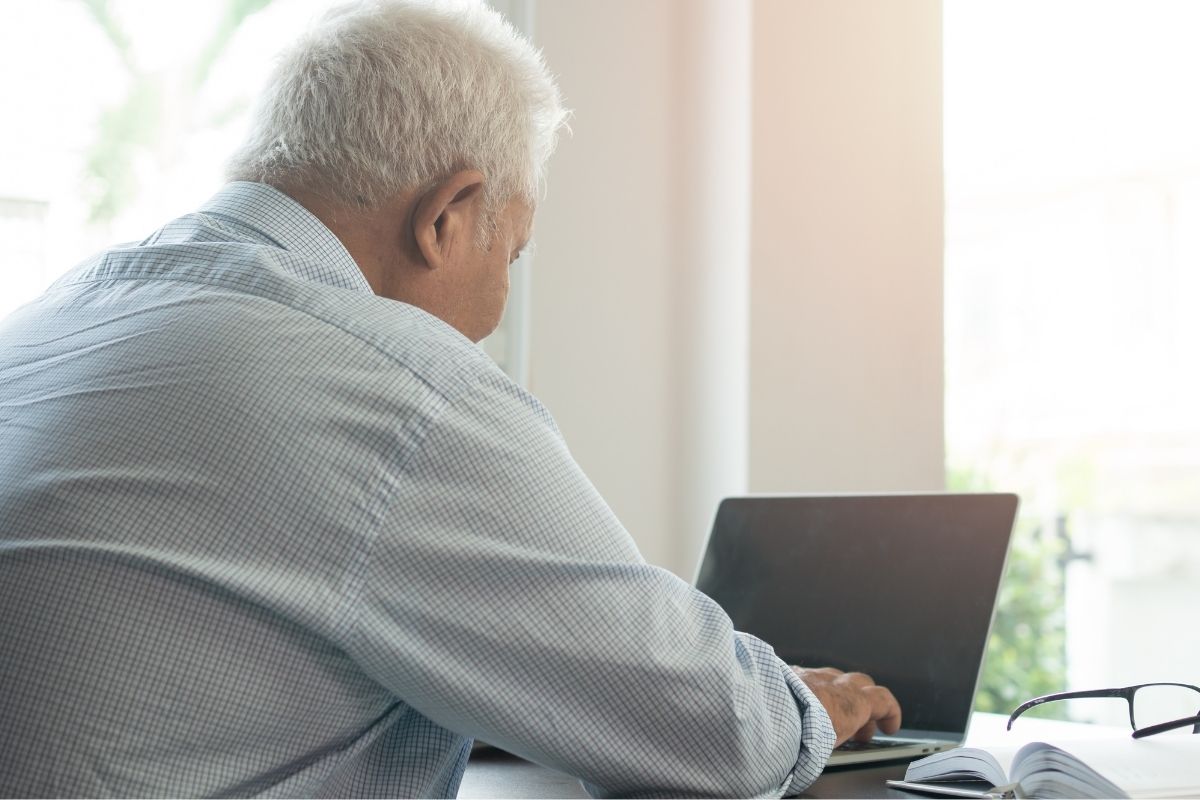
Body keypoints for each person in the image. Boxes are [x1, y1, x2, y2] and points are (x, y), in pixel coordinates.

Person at [0, 1, 901, 797]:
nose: (493, 311)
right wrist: (799, 703)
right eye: (509, 254)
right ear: (447, 216)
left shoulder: (47, 323)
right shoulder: (398, 387)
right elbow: (720, 731)